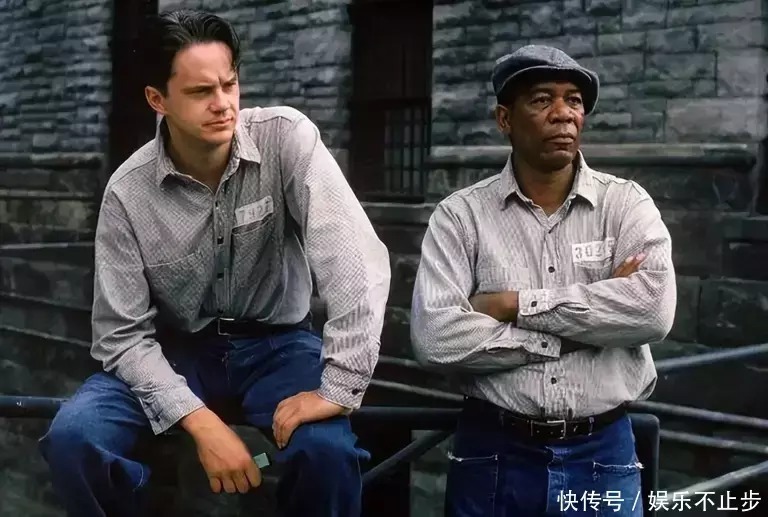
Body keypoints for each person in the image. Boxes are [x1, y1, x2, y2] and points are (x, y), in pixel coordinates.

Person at [38, 9, 390, 517]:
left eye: (229, 84)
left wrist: (339, 386)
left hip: (279, 347)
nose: (223, 104)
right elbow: (121, 335)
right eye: (201, 91)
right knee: (75, 439)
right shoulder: (127, 193)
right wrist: (201, 423)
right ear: (157, 100)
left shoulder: (286, 138)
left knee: (329, 455)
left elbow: (354, 260)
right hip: (175, 352)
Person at [410, 45, 676, 517]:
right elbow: (435, 338)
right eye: (541, 100)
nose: (563, 114)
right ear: (505, 119)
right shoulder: (461, 216)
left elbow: (652, 311)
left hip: (603, 451)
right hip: (493, 451)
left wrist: (512, 305)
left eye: (574, 100)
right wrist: (586, 328)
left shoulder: (625, 205)